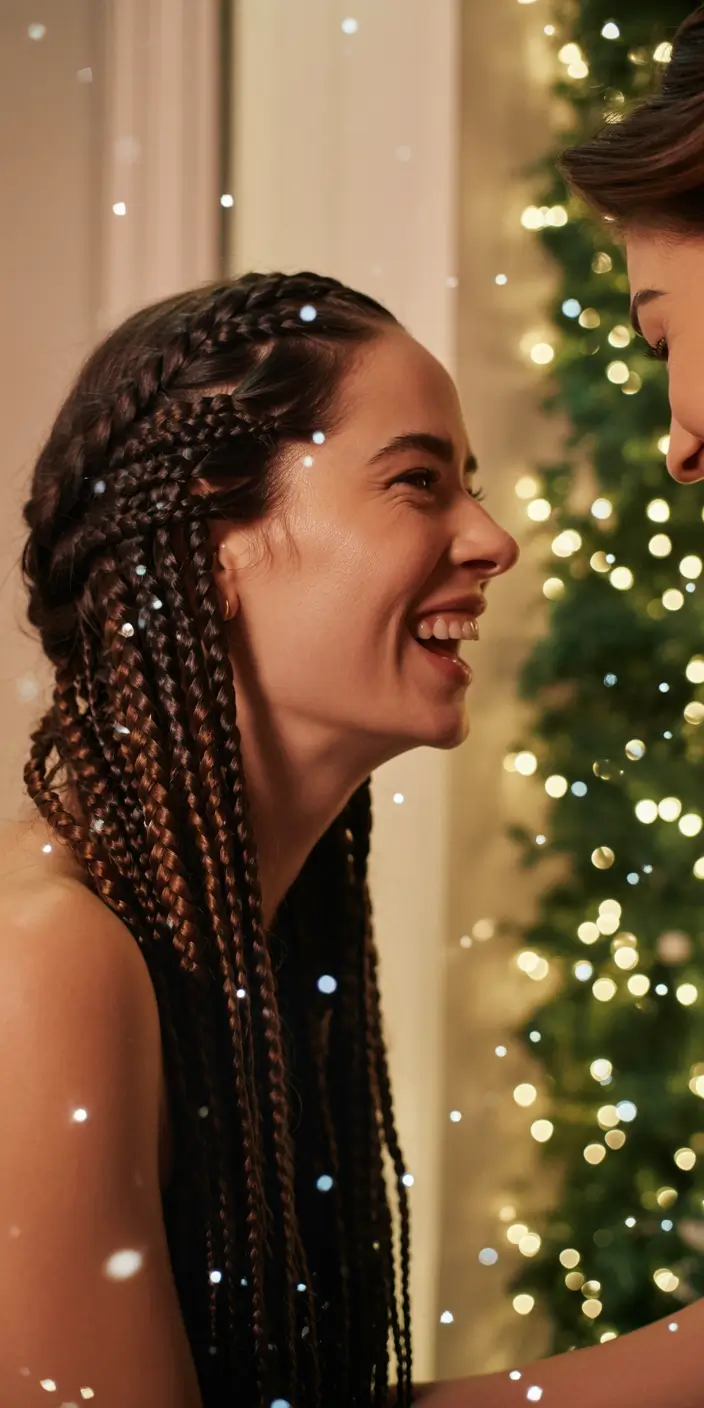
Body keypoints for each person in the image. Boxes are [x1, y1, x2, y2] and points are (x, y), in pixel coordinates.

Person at [0, 268, 517, 1408]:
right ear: (211, 544)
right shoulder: (42, 965)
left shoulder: (238, 951)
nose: (493, 540)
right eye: (417, 480)